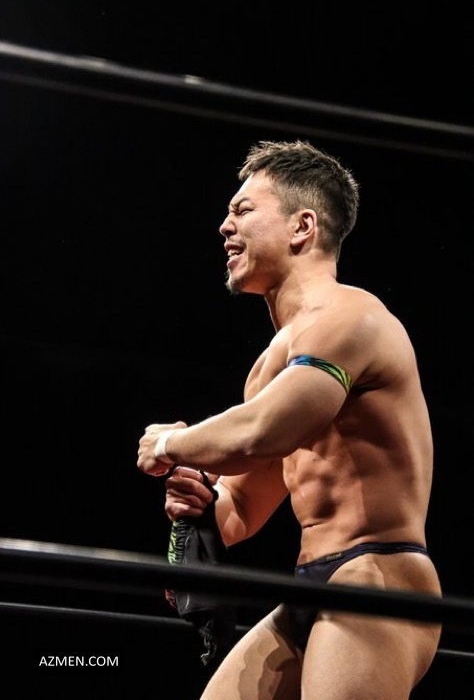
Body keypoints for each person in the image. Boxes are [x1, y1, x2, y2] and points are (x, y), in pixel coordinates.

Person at [137, 139, 442, 699]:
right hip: (309, 581)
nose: (225, 226)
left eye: (243, 209)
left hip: (377, 574)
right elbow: (242, 510)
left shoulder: (352, 317)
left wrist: (170, 444)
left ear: (302, 227)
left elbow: (262, 432)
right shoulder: (269, 368)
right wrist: (201, 498)